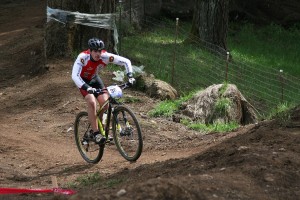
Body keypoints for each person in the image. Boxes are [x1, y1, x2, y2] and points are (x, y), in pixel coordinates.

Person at [72, 37, 135, 144]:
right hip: (83, 81)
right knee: (92, 102)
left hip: (94, 78)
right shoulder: (83, 57)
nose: (98, 54)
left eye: (99, 51)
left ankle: (100, 129)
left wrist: (130, 76)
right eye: (95, 51)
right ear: (90, 51)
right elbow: (74, 76)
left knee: (105, 104)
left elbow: (126, 61)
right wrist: (87, 88)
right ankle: (96, 133)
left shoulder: (105, 56)